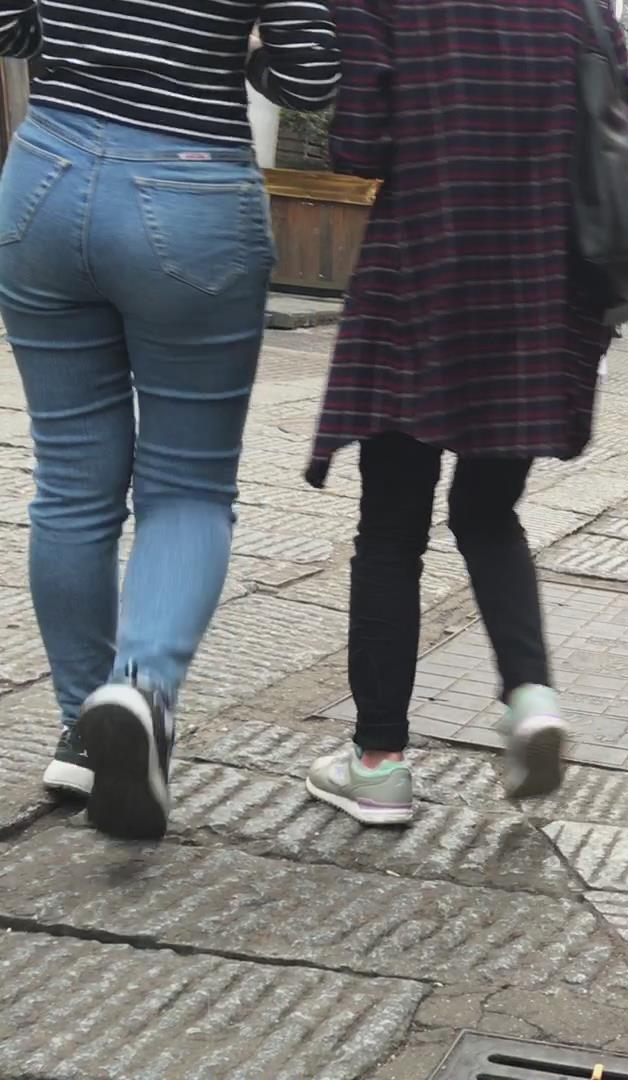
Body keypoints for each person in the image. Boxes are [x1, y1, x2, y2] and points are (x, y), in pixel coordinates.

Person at [0, 0, 336, 832]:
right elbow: (310, 77)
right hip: (192, 185)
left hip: (44, 173)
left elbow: (9, 27)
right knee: (187, 485)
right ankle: (141, 689)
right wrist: (237, 50)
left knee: (70, 481)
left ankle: (84, 733)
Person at [299, 0, 628, 827]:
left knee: (390, 528)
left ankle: (378, 763)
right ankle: (532, 698)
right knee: (487, 513)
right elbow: (614, 140)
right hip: (538, 291)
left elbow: (357, 147)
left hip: (423, 270)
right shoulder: (584, 7)